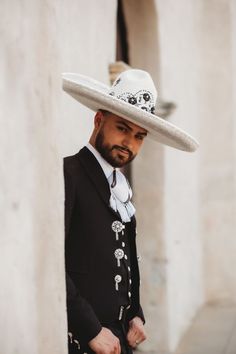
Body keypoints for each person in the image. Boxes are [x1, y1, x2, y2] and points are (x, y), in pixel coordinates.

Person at [63, 69, 198, 354]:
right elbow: (52, 265)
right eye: (122, 128)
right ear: (99, 120)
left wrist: (134, 313)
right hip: (82, 340)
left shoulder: (119, 186)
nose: (130, 143)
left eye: (139, 136)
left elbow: (124, 256)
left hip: (118, 338)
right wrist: (91, 330)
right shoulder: (69, 174)